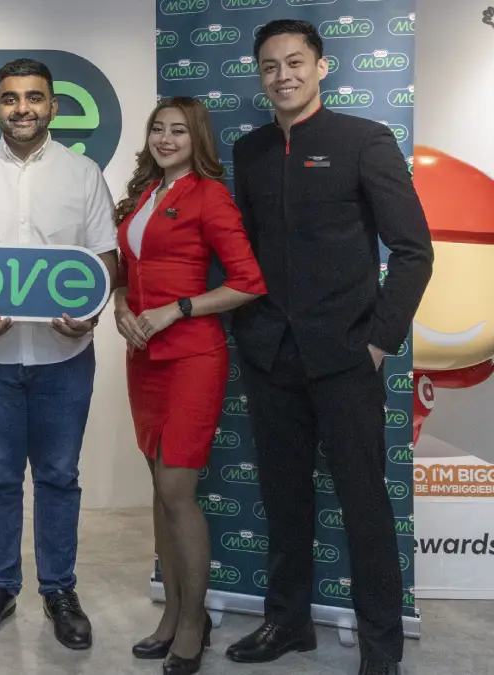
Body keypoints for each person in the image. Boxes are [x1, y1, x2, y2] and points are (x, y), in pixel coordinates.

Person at [226, 20, 433, 675]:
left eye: (294, 62)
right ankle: (288, 624)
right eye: (269, 66)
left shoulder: (363, 140)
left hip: (346, 357)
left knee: (365, 505)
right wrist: (250, 330)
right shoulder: (251, 150)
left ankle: (381, 648)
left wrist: (378, 342)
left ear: (320, 67)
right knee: (284, 499)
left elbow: (414, 251)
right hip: (271, 354)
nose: (282, 75)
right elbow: (246, 252)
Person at [0, 57, 118, 651]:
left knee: (59, 477)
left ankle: (59, 591)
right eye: (10, 99)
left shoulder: (83, 174)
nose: (22, 108)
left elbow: (104, 258)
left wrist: (92, 311)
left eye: (34, 97)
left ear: (53, 106)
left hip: (65, 357)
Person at [111, 96, 267, 675]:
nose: (166, 138)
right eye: (158, 128)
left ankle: (193, 622)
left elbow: (248, 282)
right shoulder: (142, 195)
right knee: (159, 490)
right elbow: (125, 271)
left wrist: (178, 308)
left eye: (179, 130)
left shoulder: (209, 195)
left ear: (196, 138)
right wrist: (121, 304)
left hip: (192, 358)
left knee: (177, 491)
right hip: (142, 357)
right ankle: (171, 613)